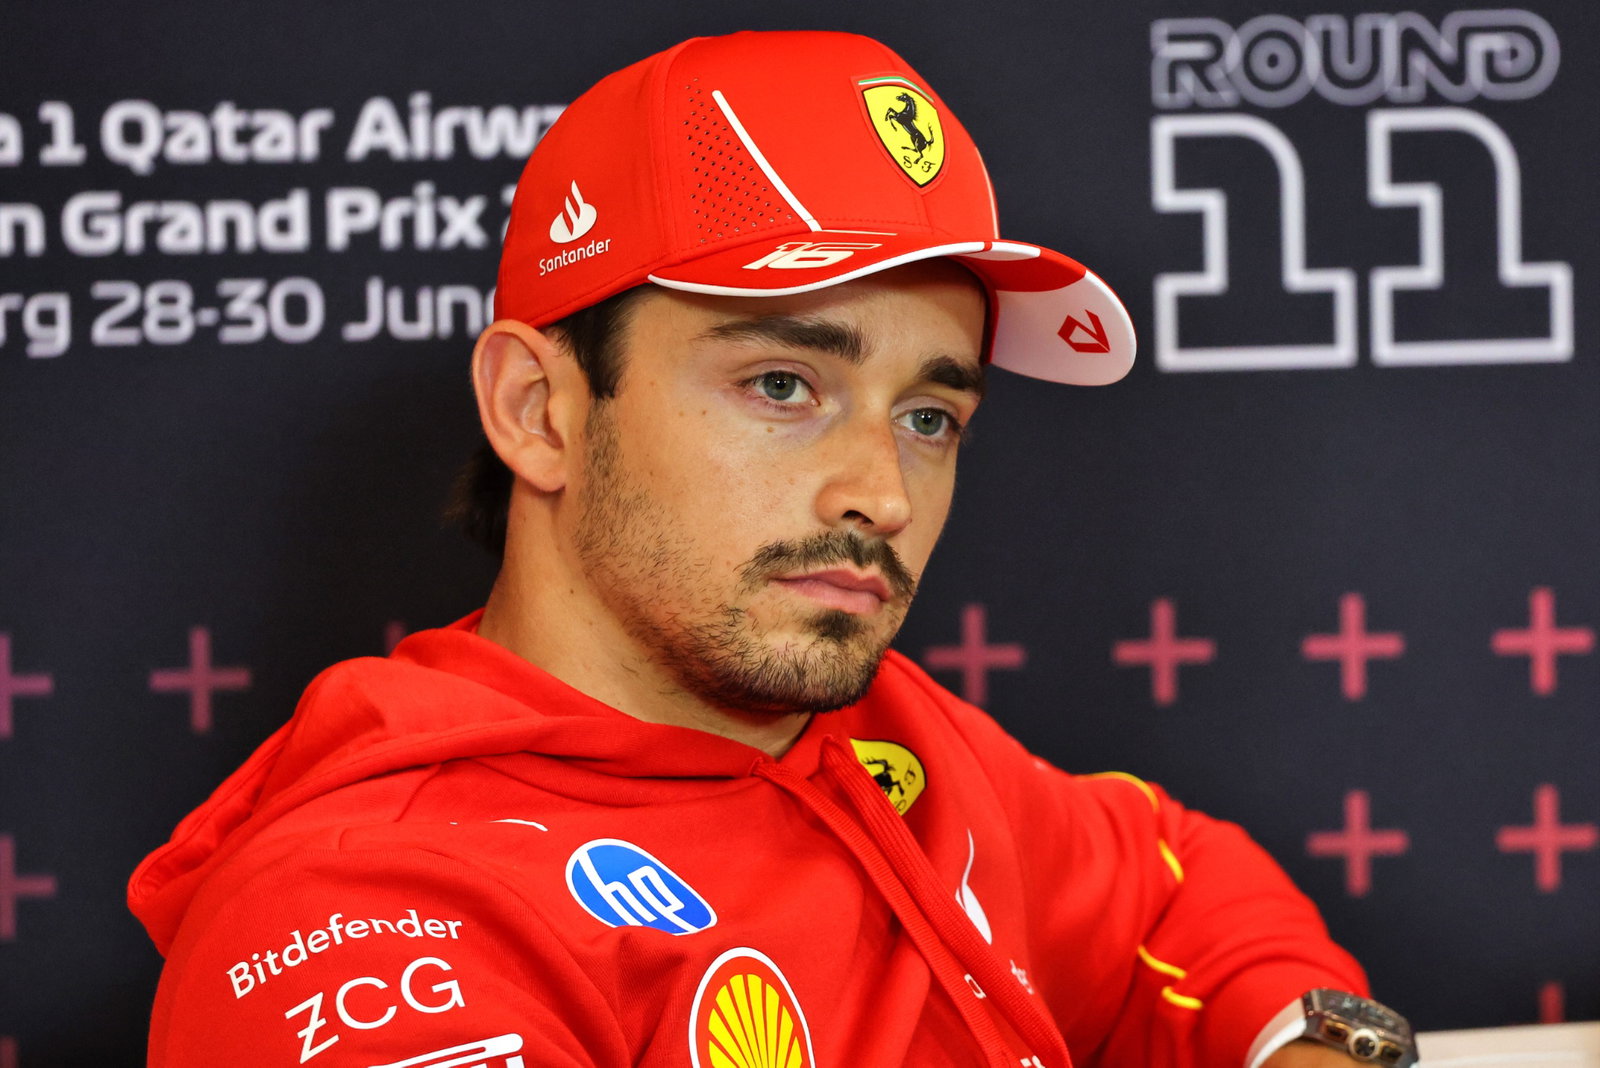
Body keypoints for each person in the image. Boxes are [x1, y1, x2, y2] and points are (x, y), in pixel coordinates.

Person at [128, 30, 1416, 1068]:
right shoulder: (366, 922)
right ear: (541, 411)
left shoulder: (906, 748)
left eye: (929, 416)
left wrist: (1318, 1042)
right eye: (783, 384)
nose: (884, 495)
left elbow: (1175, 889)